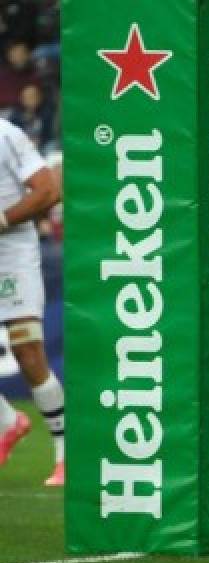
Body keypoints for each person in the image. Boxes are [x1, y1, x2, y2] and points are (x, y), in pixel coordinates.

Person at [0, 118, 64, 485]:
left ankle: (64, 455)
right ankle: (8, 422)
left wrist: (3, 217)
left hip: (12, 252)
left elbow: (47, 191)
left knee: (27, 351)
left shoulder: (7, 135)